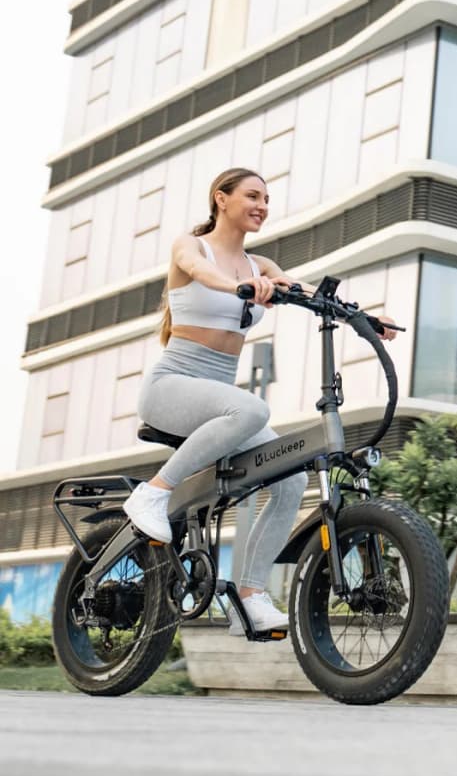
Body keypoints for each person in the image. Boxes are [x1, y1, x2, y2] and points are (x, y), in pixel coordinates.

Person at [121, 168, 398, 636]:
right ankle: (152, 493)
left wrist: (365, 319)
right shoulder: (193, 248)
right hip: (173, 387)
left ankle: (249, 596)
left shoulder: (261, 265)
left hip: (221, 398)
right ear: (221, 199)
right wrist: (238, 288)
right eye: (252, 196)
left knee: (289, 480)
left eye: (267, 199)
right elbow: (203, 274)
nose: (262, 206)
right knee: (252, 409)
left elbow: (310, 293)